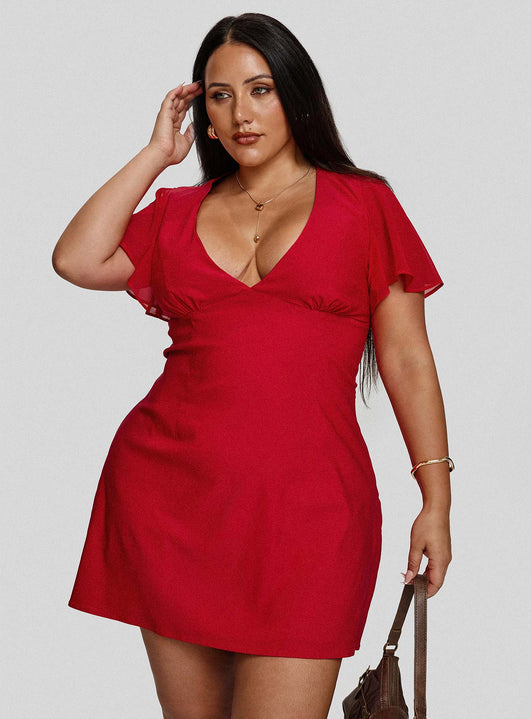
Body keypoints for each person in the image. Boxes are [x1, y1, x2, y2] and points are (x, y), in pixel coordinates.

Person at [52, 12, 452, 719]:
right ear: (203, 115)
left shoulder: (364, 204)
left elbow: (406, 357)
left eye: (260, 89)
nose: (241, 113)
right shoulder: (175, 212)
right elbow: (77, 259)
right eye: (220, 95)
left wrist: (436, 499)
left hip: (310, 518)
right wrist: (155, 155)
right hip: (171, 503)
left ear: (295, 95)